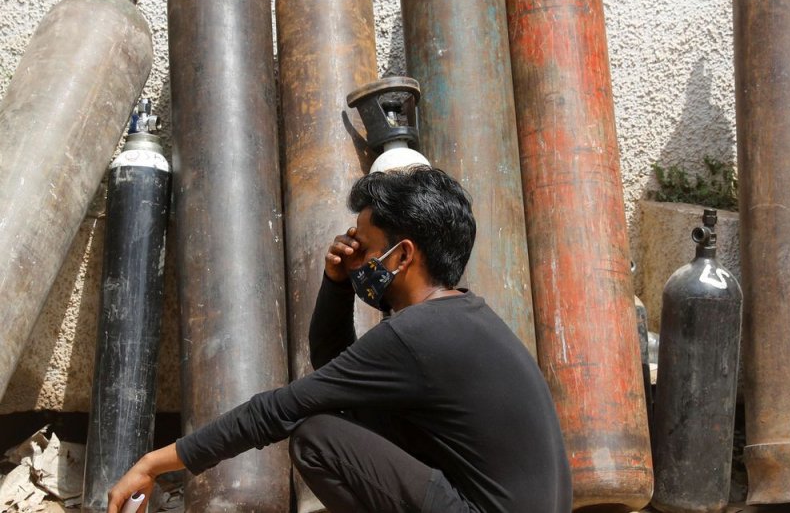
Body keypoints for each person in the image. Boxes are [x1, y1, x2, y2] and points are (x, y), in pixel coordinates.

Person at [107, 166, 572, 513]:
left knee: (317, 437)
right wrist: (337, 283)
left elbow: (282, 409)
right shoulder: (463, 318)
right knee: (348, 414)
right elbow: (340, 375)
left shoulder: (417, 334)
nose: (356, 258)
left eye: (364, 249)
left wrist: (154, 463)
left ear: (402, 255)